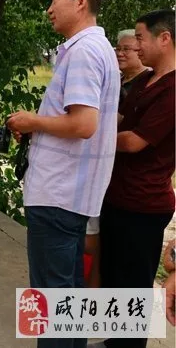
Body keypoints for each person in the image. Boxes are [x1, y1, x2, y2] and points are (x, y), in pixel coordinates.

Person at [7, 0, 120, 348]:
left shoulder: (84, 51)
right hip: (73, 194)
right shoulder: (97, 48)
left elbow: (83, 124)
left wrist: (31, 121)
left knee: (50, 302)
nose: (49, 8)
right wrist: (38, 128)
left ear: (80, 1)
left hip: (57, 193)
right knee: (68, 294)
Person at [99, 9, 175, 348]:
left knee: (134, 287)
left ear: (165, 38)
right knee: (114, 279)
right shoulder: (144, 81)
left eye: (141, 38)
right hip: (118, 196)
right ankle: (113, 342)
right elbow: (117, 121)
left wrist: (90, 137)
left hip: (143, 205)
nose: (135, 45)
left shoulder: (172, 90)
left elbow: (134, 141)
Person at [84, 28, 149, 288]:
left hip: (129, 181)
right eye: (117, 48)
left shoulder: (146, 85)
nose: (120, 53)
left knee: (106, 247)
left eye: (127, 49)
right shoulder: (118, 80)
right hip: (104, 171)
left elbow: (133, 138)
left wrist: (93, 131)